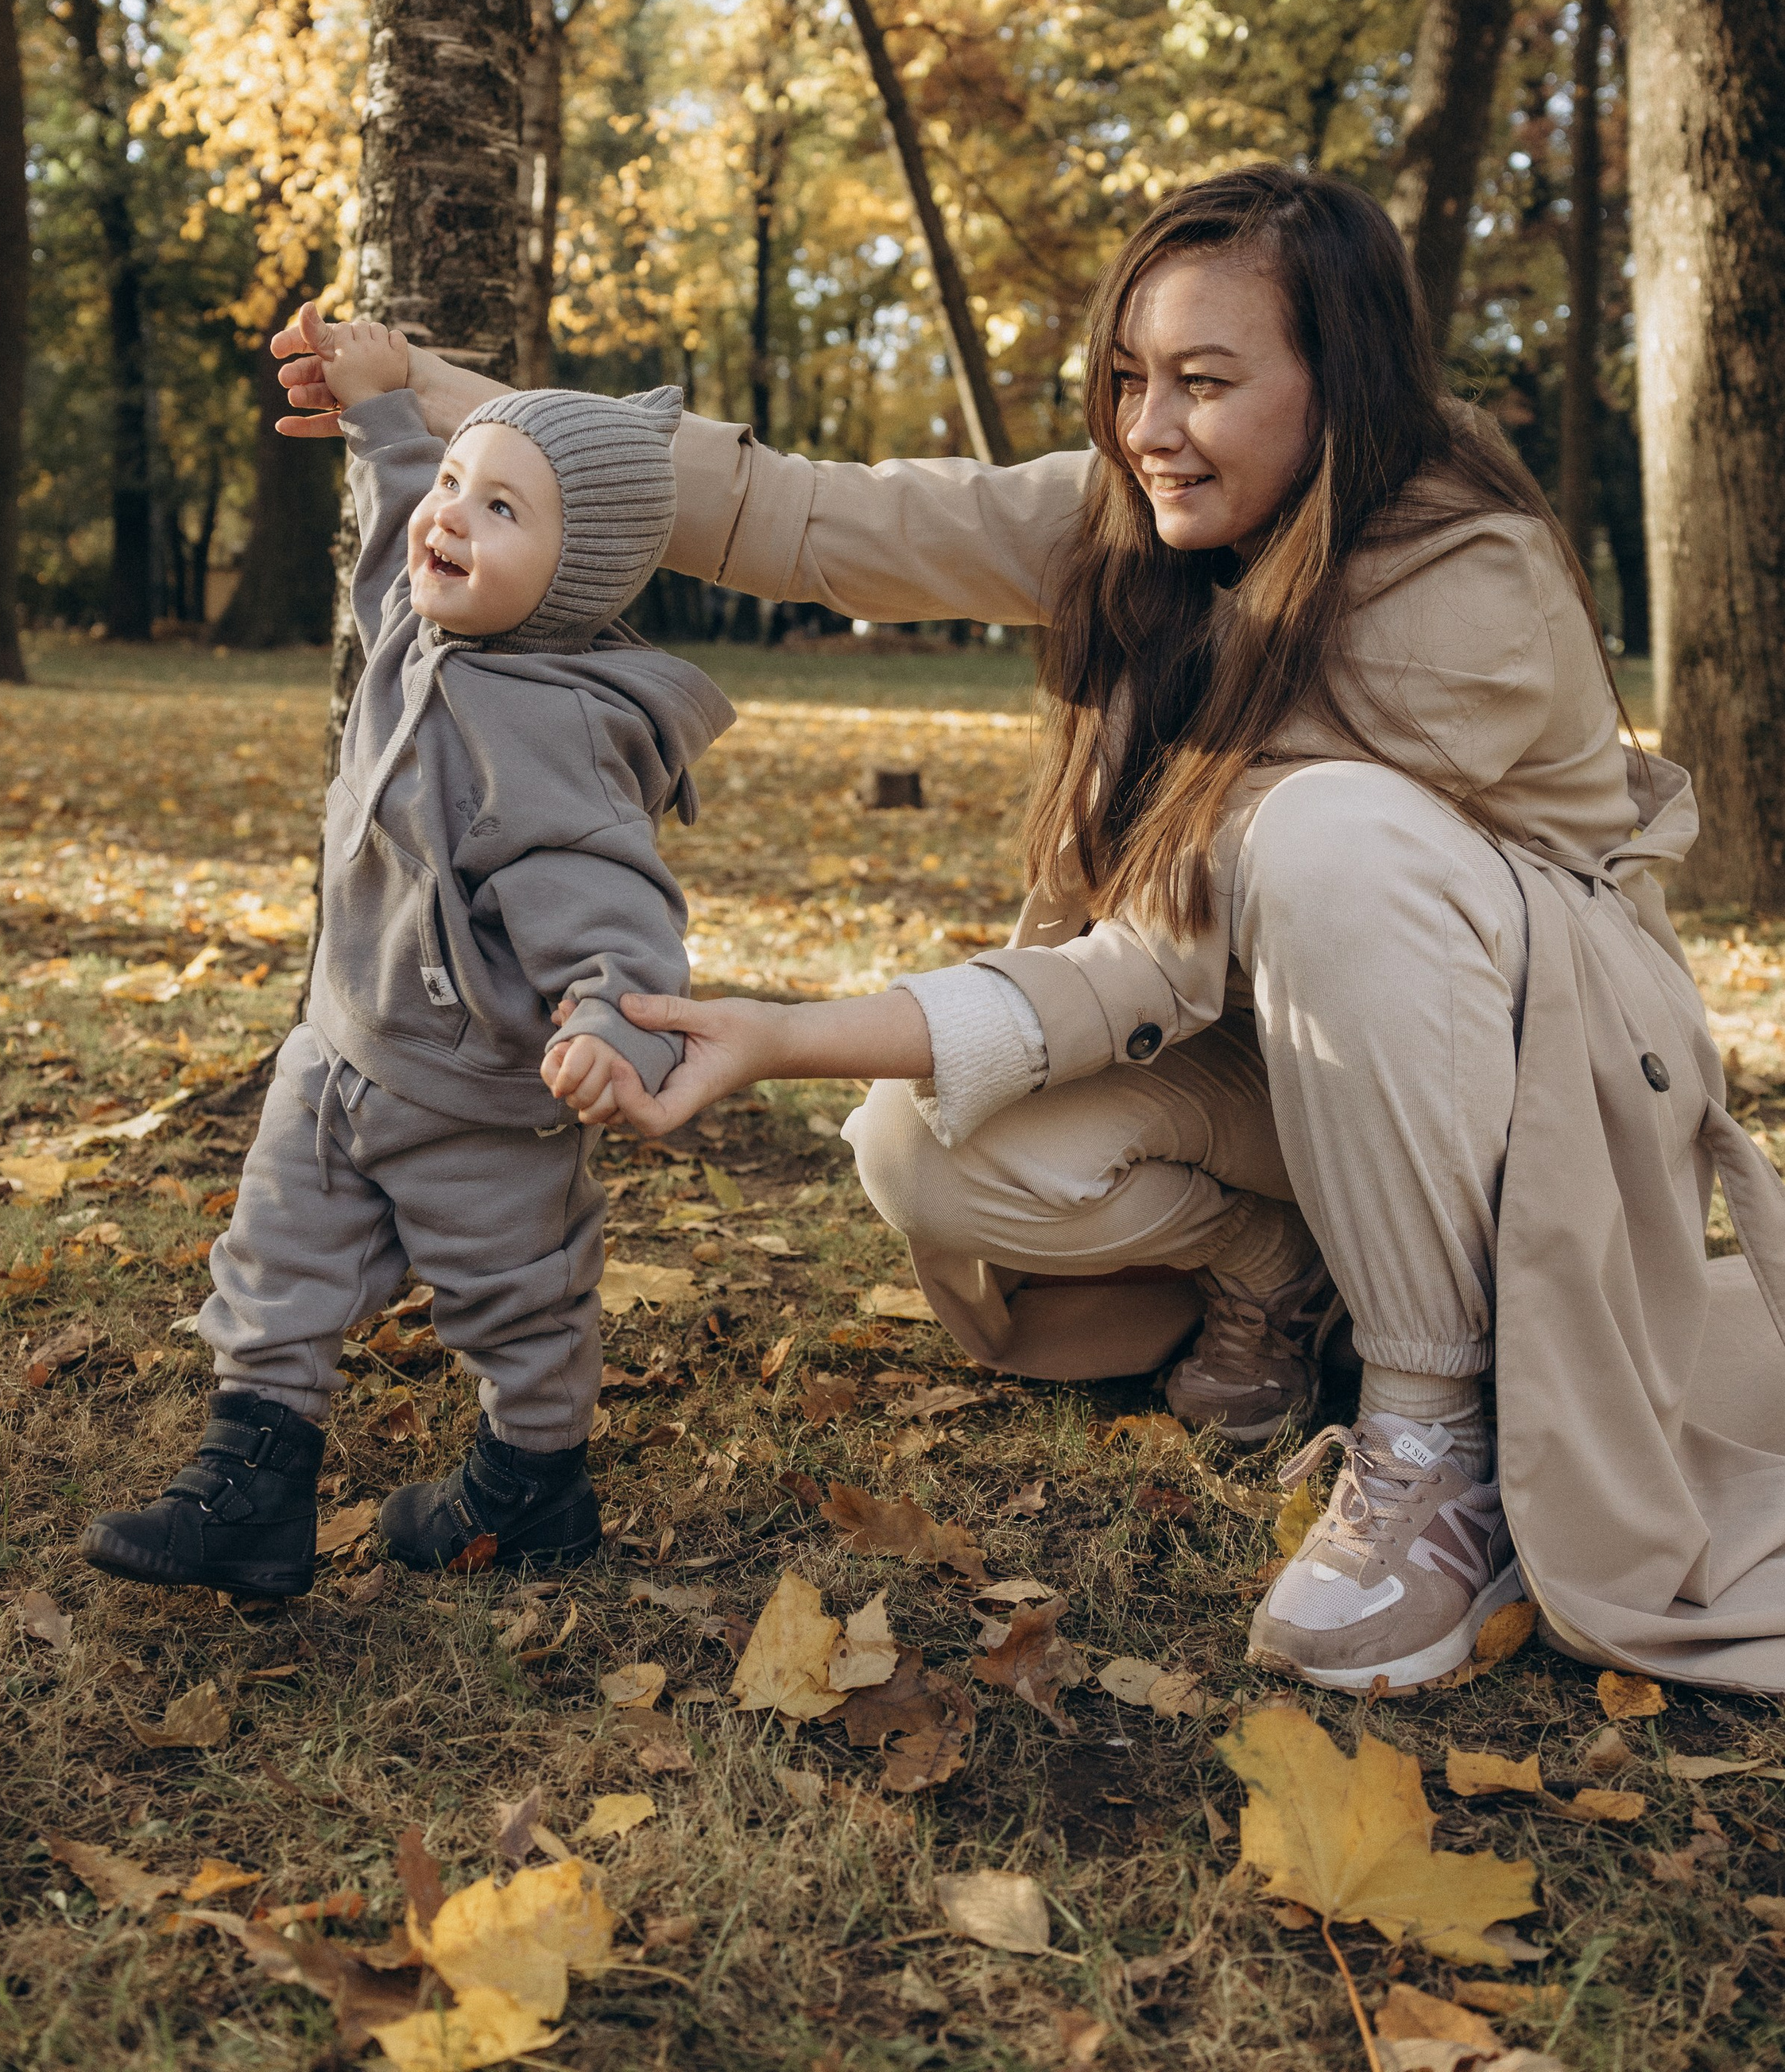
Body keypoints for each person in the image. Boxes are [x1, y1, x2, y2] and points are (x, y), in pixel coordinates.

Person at [278, 166, 1785, 1698]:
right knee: (922, 1143)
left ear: (1345, 388)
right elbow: (800, 514)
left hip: (1533, 1085)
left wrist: (786, 1030)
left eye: (1206, 383)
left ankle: (1434, 1439)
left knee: (1329, 836)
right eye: (1130, 379)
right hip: (1273, 1060)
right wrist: (427, 390)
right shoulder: (1140, 520)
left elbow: (1152, 956)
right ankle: (1286, 1269)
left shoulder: (1464, 582)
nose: (1149, 427)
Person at [82, 314, 733, 1601]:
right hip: (338, 1045)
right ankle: (251, 1489)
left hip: (479, 1097)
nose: (450, 515)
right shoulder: (424, 626)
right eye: (456, 481)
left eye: (500, 507)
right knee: (276, 1255)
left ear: (572, 578)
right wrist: (387, 415)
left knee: (517, 1302)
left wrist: (610, 1021)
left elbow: (616, 909)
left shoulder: (550, 732)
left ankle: (529, 1487)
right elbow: (394, 525)